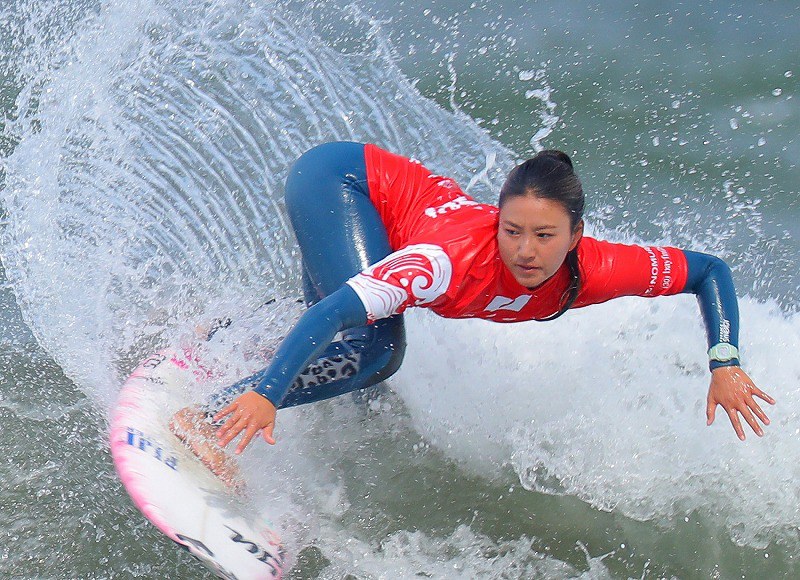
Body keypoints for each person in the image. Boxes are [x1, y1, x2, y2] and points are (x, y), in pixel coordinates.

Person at [171, 141, 775, 475]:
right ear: (497, 219)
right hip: (341, 183)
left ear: (575, 234)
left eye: (544, 236)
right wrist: (268, 394)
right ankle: (212, 414)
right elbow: (334, 314)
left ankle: (231, 329)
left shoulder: (600, 267)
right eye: (512, 230)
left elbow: (707, 270)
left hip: (378, 205)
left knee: (364, 379)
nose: (525, 251)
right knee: (375, 351)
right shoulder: (449, 261)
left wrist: (724, 360)